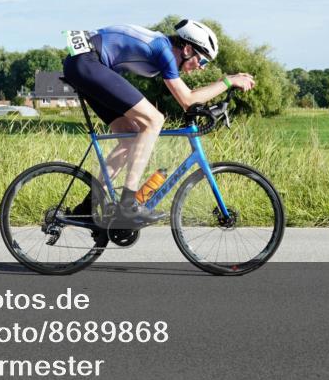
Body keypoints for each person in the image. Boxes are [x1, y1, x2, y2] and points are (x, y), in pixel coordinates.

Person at [62, 20, 255, 226]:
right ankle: (128, 204)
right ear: (187, 49)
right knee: (154, 120)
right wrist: (227, 81)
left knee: (130, 138)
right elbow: (187, 100)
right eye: (203, 61)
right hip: (87, 62)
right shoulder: (163, 50)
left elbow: (189, 98)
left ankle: (87, 208)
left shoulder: (162, 49)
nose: (201, 68)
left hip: (85, 63)